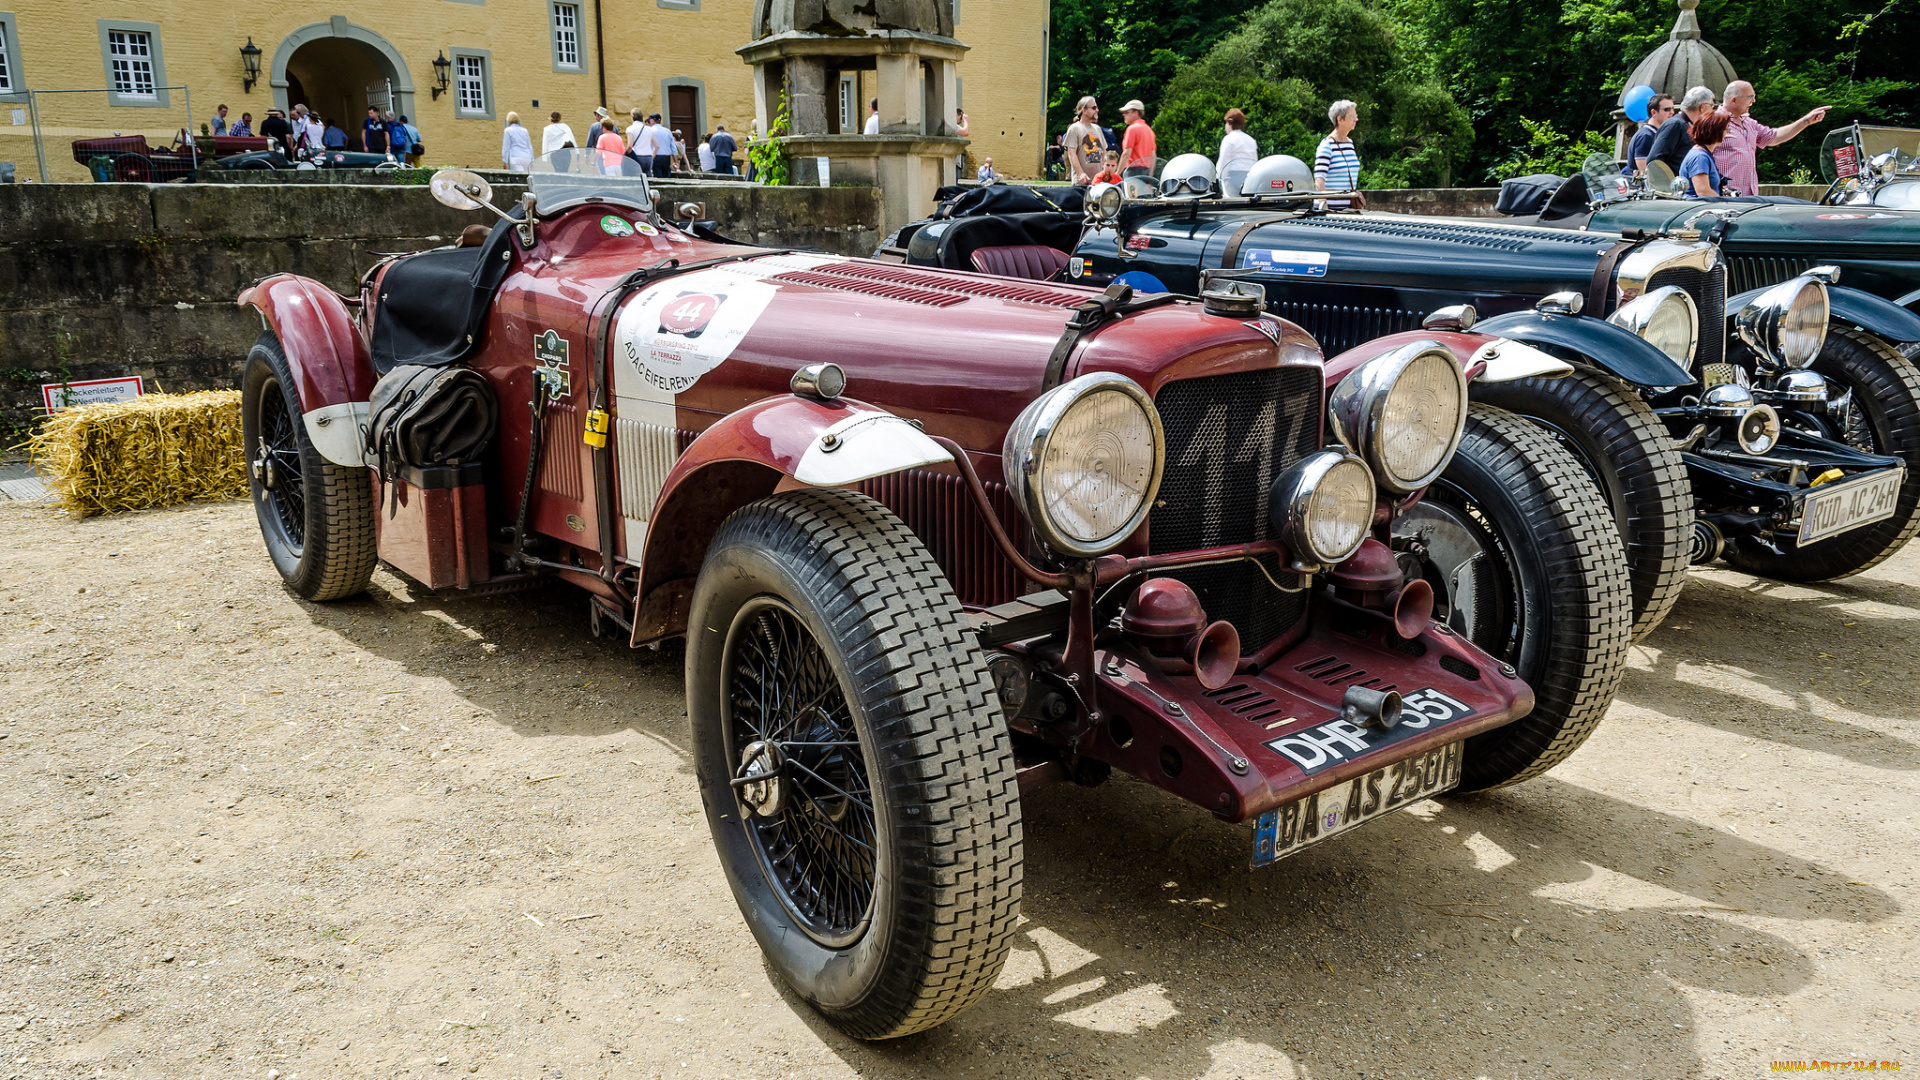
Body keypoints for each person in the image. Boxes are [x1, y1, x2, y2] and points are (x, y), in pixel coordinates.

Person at [1713, 80, 1830, 197]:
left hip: (1749, 197)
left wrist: (1806, 121)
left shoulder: (1748, 123)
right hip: (1725, 198)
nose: (1753, 101)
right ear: (1734, 100)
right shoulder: (1713, 122)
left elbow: (1774, 137)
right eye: (1750, 97)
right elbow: (1700, 154)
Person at [1649, 85, 1715, 176]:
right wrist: (1671, 185)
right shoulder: (1675, 125)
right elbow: (1654, 161)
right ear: (1702, 107)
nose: (1712, 110)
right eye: (1711, 105)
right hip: (1674, 188)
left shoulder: (1686, 124)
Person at [1314, 99, 1364, 208]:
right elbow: (1319, 178)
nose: (1356, 119)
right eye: (1352, 117)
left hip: (1348, 209)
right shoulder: (1327, 145)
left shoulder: (1350, 143)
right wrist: (1323, 204)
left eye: (1356, 116)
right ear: (1340, 120)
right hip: (1331, 210)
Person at [1682, 109, 1730, 198]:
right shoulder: (1699, 157)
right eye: (1726, 129)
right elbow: (1703, 191)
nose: (1727, 133)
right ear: (1716, 131)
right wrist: (1725, 204)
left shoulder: (1703, 154)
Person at [1625, 93, 1672, 176]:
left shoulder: (1656, 134)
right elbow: (1645, 173)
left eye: (1672, 108)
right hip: (1642, 187)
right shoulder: (1646, 136)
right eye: (1667, 109)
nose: (1672, 112)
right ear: (1653, 112)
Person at [1064, 96, 1107, 185]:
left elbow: (1104, 152)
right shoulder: (1074, 128)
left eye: (1097, 107)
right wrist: (1080, 173)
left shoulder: (1097, 129)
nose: (1097, 110)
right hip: (1082, 182)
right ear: (1084, 110)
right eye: (1094, 108)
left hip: (1098, 182)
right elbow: (1071, 154)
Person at [1216, 107, 1258, 192]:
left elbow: (1223, 162)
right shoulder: (1251, 140)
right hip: (1250, 179)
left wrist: (1217, 180)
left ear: (1230, 123)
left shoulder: (1229, 139)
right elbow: (1255, 161)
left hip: (1233, 179)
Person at [1118, 99, 1156, 178]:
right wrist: (1150, 178)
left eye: (1126, 112)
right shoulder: (1149, 130)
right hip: (1146, 172)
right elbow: (1153, 157)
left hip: (1132, 172)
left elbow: (1126, 154)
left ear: (1136, 112)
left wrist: (1117, 174)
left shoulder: (1132, 129)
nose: (1124, 114)